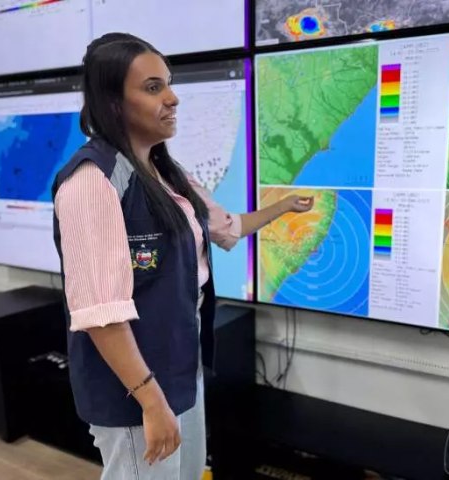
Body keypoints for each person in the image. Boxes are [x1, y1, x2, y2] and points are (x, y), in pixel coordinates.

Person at [51, 32, 313, 480]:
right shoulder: (92, 182)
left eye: (168, 85)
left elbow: (228, 226)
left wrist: (284, 206)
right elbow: (100, 313)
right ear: (113, 102)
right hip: (133, 383)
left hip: (177, 360)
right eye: (153, 87)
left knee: (187, 473)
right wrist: (151, 401)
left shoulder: (166, 173)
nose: (172, 99)